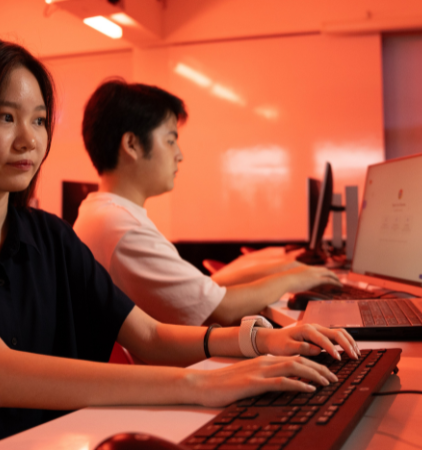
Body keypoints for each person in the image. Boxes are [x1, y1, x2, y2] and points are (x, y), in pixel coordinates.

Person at [0, 36, 358, 450]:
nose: (29, 140)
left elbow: (149, 336)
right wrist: (201, 384)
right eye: (5, 117)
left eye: (38, 120)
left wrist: (261, 340)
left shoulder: (47, 234)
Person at [73, 80, 338, 326]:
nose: (179, 155)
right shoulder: (121, 226)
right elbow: (221, 308)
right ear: (132, 144)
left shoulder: (103, 214)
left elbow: (206, 286)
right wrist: (294, 278)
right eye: (170, 140)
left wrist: (289, 269)